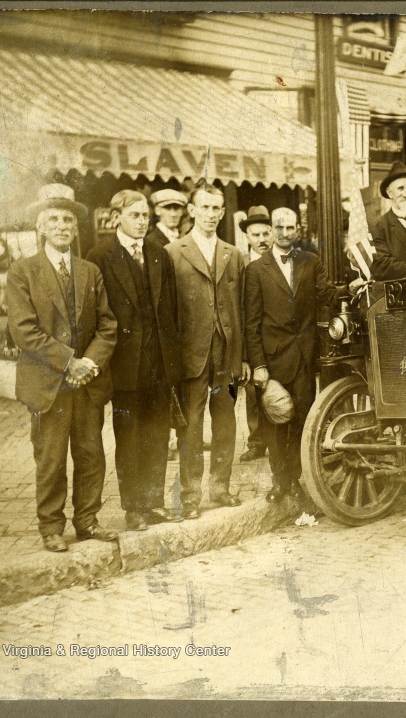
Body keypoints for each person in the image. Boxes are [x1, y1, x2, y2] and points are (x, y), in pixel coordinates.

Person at [6, 184, 118, 552]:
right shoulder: (23, 272)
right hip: (48, 384)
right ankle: (51, 527)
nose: (61, 225)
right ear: (41, 227)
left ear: (75, 227)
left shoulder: (89, 271)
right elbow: (24, 331)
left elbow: (107, 326)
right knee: (51, 459)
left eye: (67, 219)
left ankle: (87, 520)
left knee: (91, 455)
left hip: (86, 383)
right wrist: (69, 361)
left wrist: (88, 364)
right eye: (53, 218)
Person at [244, 207, 361, 503]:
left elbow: (327, 294)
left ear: (298, 230)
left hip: (305, 357)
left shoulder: (310, 262)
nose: (285, 233)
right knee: (274, 421)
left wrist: (350, 287)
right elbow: (252, 322)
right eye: (279, 227)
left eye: (290, 228)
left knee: (302, 419)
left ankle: (294, 478)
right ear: (271, 230)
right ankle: (278, 481)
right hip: (272, 359)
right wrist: (258, 365)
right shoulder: (256, 270)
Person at [86, 191, 183, 531]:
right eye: (135, 215)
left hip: (158, 362)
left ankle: (153, 501)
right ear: (118, 217)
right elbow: (96, 315)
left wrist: (173, 362)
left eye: (146, 216)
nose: (143, 221)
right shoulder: (100, 257)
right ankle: (133, 507)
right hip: (125, 366)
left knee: (157, 433)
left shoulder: (158, 255)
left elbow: (170, 311)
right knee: (129, 436)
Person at [165, 181, 248, 520]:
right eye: (205, 207)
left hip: (225, 355)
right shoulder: (174, 253)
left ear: (223, 212)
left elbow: (241, 308)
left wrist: (242, 357)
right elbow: (168, 312)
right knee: (192, 425)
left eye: (217, 208)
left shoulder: (233, 254)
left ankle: (220, 487)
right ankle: (190, 495)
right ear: (192, 210)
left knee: (226, 421)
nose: (211, 214)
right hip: (191, 355)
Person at [236, 205, 272, 462]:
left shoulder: (281, 259)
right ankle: (257, 441)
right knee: (253, 392)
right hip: (251, 336)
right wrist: (244, 354)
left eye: (265, 233)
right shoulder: (241, 265)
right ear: (247, 237)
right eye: (255, 234)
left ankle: (279, 437)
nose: (262, 240)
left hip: (275, 338)